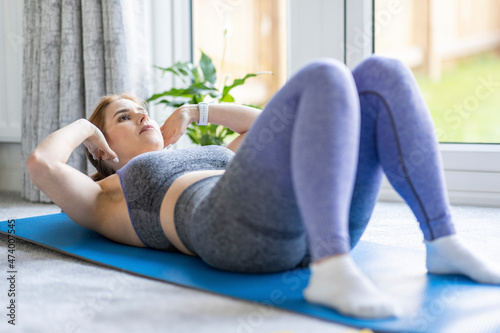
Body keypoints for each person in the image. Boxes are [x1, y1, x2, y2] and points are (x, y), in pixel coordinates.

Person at [26, 55, 500, 319]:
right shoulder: (108, 193)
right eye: (123, 118)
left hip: (292, 217)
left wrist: (198, 111)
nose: (142, 115)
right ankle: (332, 268)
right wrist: (88, 130)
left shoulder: (209, 153)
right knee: (325, 74)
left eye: (139, 107)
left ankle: (442, 240)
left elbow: (270, 126)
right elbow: (42, 163)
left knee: (382, 73)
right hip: (229, 229)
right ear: (104, 146)